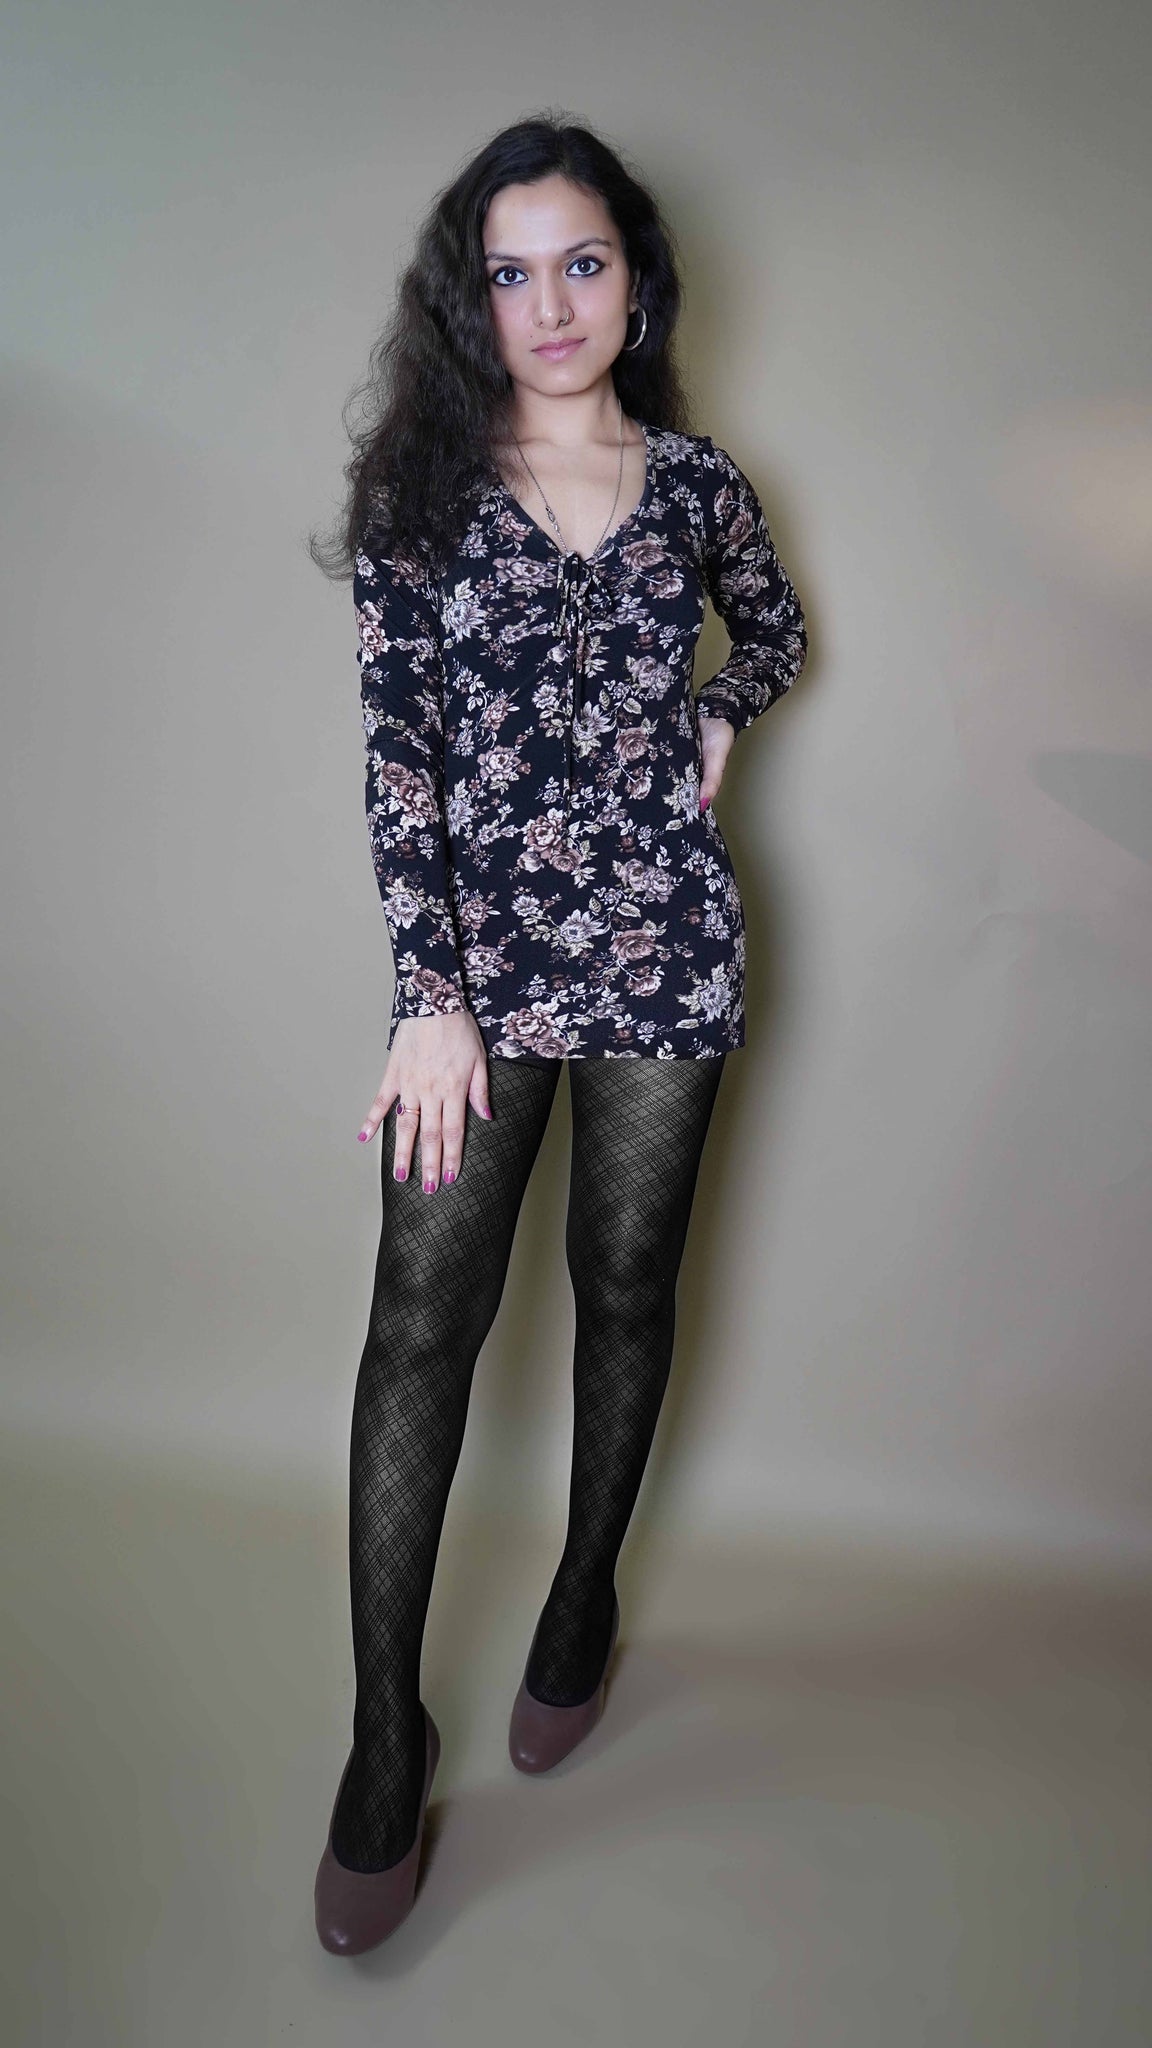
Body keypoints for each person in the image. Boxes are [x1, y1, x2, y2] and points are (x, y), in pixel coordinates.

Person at [307, 111, 807, 1955]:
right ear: (473, 300)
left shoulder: (699, 485)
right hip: (488, 971)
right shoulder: (424, 497)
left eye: (580, 262)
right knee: (419, 1329)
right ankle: (387, 1737)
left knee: (627, 1283)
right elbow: (399, 763)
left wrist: (723, 714)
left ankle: (585, 1591)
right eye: (509, 272)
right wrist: (430, 1000)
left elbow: (774, 632)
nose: (550, 303)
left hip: (669, 951)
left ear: (633, 280)